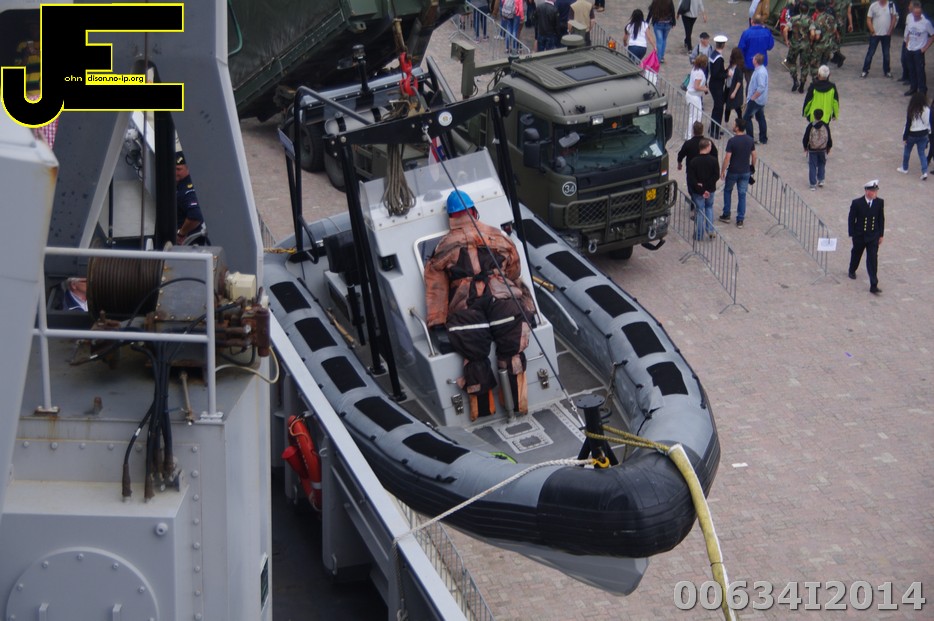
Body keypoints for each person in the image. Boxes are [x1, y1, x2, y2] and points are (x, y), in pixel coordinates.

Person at [424, 191, 536, 421]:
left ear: (451, 218)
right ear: (474, 211)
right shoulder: (499, 237)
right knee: (512, 352)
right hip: (503, 304)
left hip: (468, 310)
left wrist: (437, 321)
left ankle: (484, 410)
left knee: (475, 357)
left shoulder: (445, 246)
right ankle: (517, 405)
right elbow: (514, 269)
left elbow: (436, 287)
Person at [847, 180, 884, 294]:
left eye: (876, 191)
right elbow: (851, 219)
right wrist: (852, 234)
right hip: (860, 235)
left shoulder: (879, 202)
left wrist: (881, 234)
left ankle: (874, 284)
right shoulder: (857, 203)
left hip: (873, 236)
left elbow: (881, 219)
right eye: (873, 191)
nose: (875, 193)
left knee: (872, 259)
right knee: (856, 253)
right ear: (867, 191)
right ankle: (852, 269)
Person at [719, 118, 757, 228]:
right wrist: (752, 166)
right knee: (742, 194)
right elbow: (754, 155)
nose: (733, 125)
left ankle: (726, 214)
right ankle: (740, 219)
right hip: (745, 171)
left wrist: (722, 170)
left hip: (733, 171)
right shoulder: (750, 140)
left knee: (728, 191)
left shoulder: (732, 141)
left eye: (734, 124)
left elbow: (727, 158)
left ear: (737, 127)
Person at [687, 138, 720, 240]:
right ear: (707, 147)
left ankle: (699, 234)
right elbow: (716, 175)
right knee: (709, 207)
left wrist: (701, 188)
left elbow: (692, 179)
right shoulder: (714, 160)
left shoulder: (693, 162)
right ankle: (710, 230)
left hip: (698, 191)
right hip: (710, 189)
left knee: (699, 211)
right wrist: (706, 187)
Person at [896, 91, 932, 179]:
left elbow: (908, 124)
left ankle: (905, 168)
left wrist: (904, 137)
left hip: (912, 134)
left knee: (907, 151)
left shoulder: (911, 109)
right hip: (923, 134)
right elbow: (928, 123)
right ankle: (924, 172)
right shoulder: (927, 109)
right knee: (922, 153)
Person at [175, 152, 208, 245]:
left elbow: (195, 215)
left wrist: (181, 234)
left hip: (190, 243)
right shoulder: (183, 184)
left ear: (188, 169)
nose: (175, 172)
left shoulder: (187, 189)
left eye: (178, 169)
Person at [902, 0, 934, 96]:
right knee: (911, 70)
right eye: (915, 14)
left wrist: (925, 48)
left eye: (918, 14)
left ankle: (922, 90)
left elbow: (932, 36)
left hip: (919, 50)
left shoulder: (926, 23)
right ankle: (913, 88)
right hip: (910, 48)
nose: (916, 15)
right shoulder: (910, 21)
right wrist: (907, 44)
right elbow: (908, 33)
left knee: (920, 71)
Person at [861, 0, 898, 78]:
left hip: (886, 34)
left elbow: (893, 18)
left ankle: (887, 71)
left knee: (886, 53)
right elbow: (868, 19)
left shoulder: (891, 5)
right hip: (875, 34)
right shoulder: (873, 5)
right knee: (870, 52)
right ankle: (865, 70)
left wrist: (890, 30)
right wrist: (872, 31)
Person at [783, 1, 812, 92]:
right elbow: (812, 33)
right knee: (804, 65)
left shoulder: (793, 19)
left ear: (799, 9)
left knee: (792, 63)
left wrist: (786, 40)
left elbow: (785, 30)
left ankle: (795, 80)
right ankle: (802, 85)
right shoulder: (810, 20)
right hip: (805, 45)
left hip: (794, 44)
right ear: (808, 10)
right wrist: (810, 41)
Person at [802, 108, 833, 189]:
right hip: (823, 148)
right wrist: (829, 147)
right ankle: (821, 180)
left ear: (814, 115)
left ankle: (813, 184)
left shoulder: (810, 126)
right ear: (822, 116)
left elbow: (806, 137)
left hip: (812, 148)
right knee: (822, 163)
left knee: (812, 165)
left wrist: (805, 146)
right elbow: (829, 137)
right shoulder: (825, 125)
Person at [738, 17, 775, 84]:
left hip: (749, 63)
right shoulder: (767, 32)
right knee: (760, 83)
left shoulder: (746, 33)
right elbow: (770, 46)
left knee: (750, 84)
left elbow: (741, 49)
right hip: (762, 62)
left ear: (752, 21)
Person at [743, 53, 769, 145]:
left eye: (753, 59)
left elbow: (761, 87)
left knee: (747, 118)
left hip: (756, 100)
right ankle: (763, 138)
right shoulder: (760, 70)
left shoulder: (760, 72)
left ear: (756, 61)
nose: (752, 60)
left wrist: (753, 98)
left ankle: (750, 138)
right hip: (760, 99)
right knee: (760, 117)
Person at [708, 35, 728, 138]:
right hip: (717, 86)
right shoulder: (719, 58)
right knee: (719, 108)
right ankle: (714, 131)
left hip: (714, 84)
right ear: (723, 45)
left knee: (717, 107)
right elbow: (716, 74)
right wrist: (726, 74)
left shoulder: (713, 54)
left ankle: (713, 128)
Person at [685, 54, 709, 139]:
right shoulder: (699, 73)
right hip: (694, 96)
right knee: (694, 116)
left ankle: (689, 134)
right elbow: (696, 86)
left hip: (692, 95)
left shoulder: (695, 69)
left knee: (695, 115)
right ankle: (689, 135)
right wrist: (705, 89)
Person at [723, 47, 746, 125]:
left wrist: (734, 92)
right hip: (728, 87)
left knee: (737, 107)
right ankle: (726, 121)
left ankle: (740, 123)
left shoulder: (739, 68)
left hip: (733, 89)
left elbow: (739, 81)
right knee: (728, 107)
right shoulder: (731, 65)